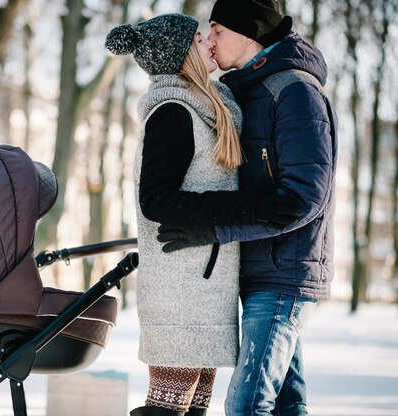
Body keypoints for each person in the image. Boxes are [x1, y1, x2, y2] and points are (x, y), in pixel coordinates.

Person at [105, 13, 300, 416]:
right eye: (199, 38)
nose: (209, 42)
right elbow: (156, 201)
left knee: (191, 410)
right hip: (180, 291)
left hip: (207, 287)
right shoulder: (172, 112)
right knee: (167, 410)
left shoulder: (209, 107)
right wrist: (251, 208)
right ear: (181, 54)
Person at [157, 1, 338, 415]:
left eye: (218, 29)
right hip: (259, 269)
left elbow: (304, 197)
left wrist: (215, 228)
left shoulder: (294, 92)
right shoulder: (249, 90)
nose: (210, 39)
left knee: (246, 405)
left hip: (283, 274)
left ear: (249, 32)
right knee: (286, 407)